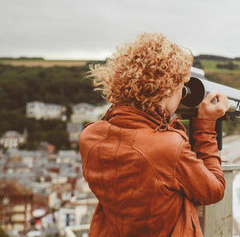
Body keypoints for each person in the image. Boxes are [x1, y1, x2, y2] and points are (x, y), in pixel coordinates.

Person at [79, 33, 229, 236]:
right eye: (180, 89)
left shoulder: (90, 136)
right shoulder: (167, 147)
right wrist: (205, 124)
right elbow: (214, 190)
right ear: (166, 90)